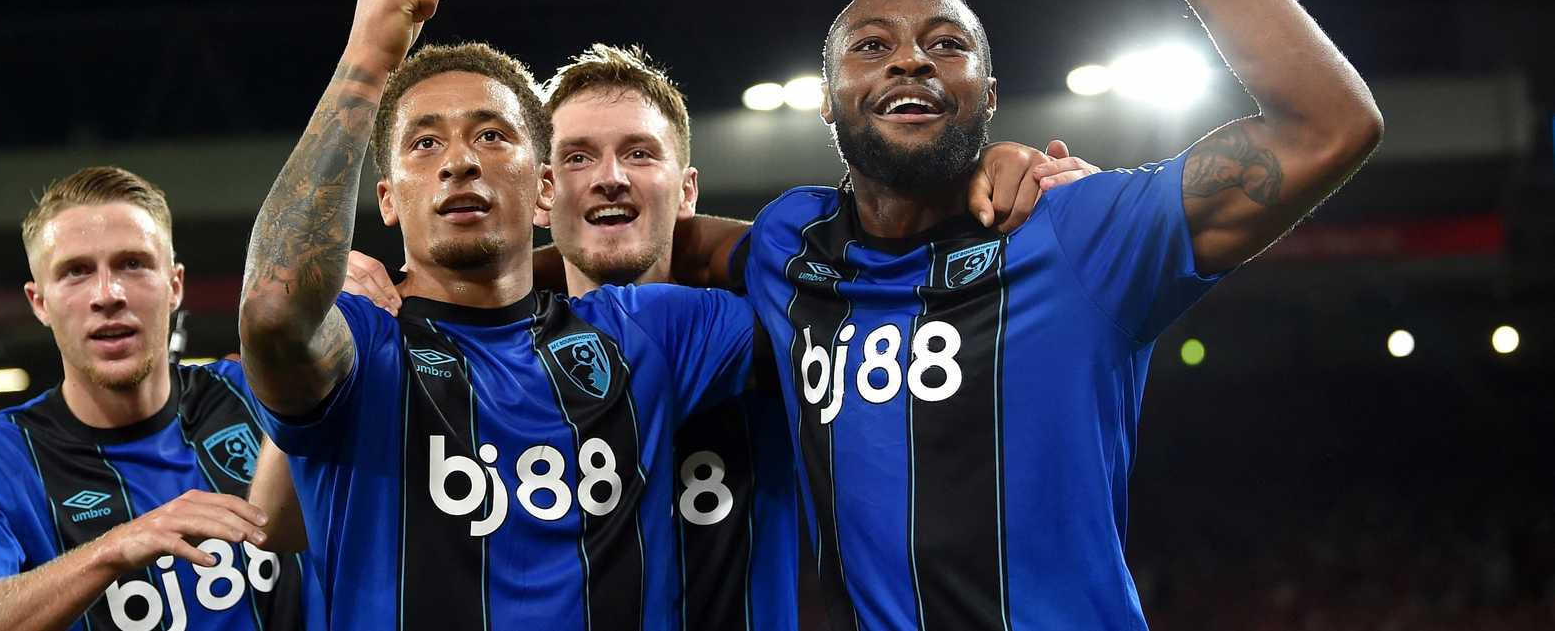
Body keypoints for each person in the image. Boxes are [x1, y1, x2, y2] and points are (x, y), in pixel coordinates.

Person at [661, 0, 1385, 630]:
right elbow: (660, 245)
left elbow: (1330, 125)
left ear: (990, 93)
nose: (912, 59)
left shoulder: (1078, 231)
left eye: (947, 44)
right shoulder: (789, 243)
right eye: (872, 45)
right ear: (827, 101)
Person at [256, 42, 1100, 631]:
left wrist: (983, 187)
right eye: (580, 156)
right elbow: (278, 515)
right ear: (547, 190)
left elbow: (878, 269)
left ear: (686, 187)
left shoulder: (765, 333)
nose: (611, 177)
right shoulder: (396, 339)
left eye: (639, 154)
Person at [0, 166, 315, 631]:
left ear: (174, 285)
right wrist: (119, 545)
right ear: (39, 302)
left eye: (133, 264)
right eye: (75, 272)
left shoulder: (256, 397)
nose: (107, 294)